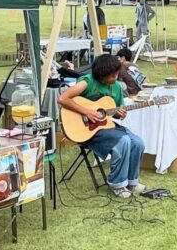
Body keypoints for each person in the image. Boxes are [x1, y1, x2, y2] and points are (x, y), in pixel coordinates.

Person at [58, 54, 147, 198]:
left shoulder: (116, 87)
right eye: (112, 76)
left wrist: (120, 114)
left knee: (138, 143)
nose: (116, 78)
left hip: (107, 127)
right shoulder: (87, 82)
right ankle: (117, 184)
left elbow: (114, 113)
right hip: (88, 131)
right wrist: (87, 111)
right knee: (123, 140)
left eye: (117, 74)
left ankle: (132, 182)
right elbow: (63, 99)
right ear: (101, 75)